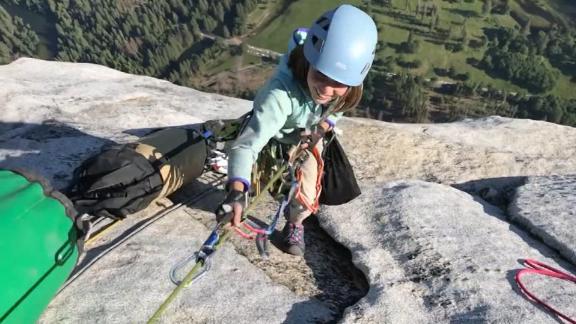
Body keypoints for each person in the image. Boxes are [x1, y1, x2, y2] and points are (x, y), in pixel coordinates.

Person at [216, 4, 378, 256]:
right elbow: (249, 143)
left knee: (307, 190)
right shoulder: (279, 95)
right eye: (321, 75)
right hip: (274, 137)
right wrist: (236, 190)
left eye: (338, 83)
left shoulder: (347, 85)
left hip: (308, 136)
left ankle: (295, 223)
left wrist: (323, 126)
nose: (326, 89)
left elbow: (338, 107)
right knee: (257, 179)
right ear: (308, 61)